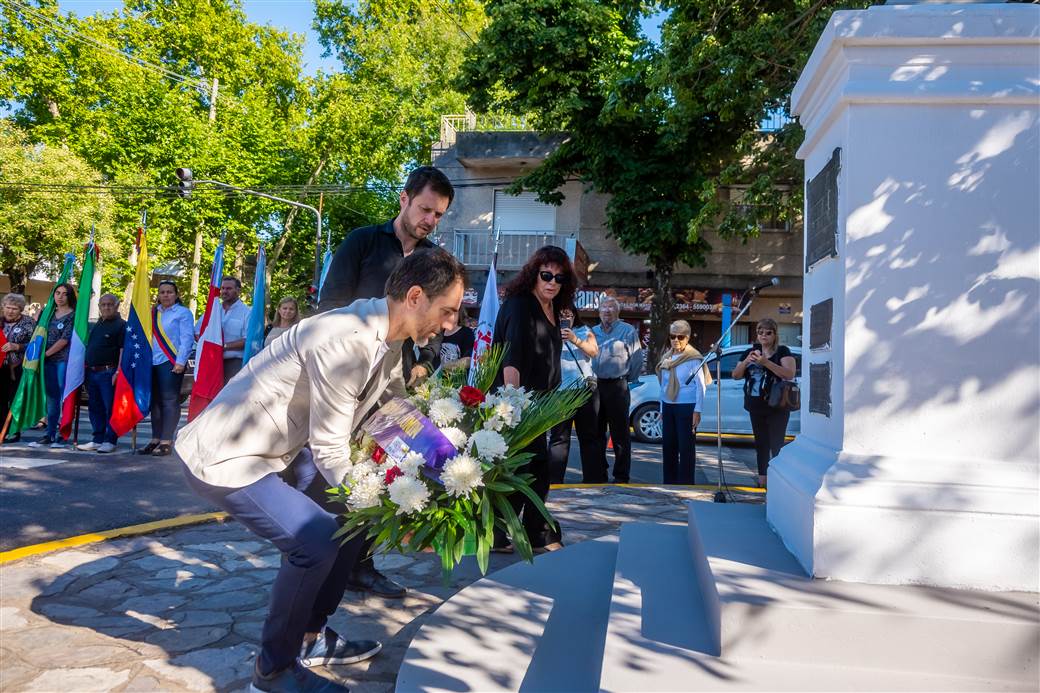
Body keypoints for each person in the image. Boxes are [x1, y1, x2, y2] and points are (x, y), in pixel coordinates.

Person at [175, 248, 466, 693]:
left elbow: (393, 413)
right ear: (414, 297)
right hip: (226, 457)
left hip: (264, 455)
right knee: (315, 542)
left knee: (347, 525)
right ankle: (272, 673)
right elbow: (330, 450)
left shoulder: (388, 339)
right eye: (447, 311)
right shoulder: (345, 339)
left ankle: (310, 637)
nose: (449, 324)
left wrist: (450, 465)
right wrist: (396, 511)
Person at [318, 165, 454, 598]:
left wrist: (424, 362)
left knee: (392, 469)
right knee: (339, 471)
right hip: (346, 377)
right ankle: (322, 562)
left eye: (439, 215)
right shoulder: (362, 242)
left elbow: (439, 322)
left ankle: (361, 563)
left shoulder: (435, 261)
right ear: (404, 199)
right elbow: (330, 306)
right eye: (425, 209)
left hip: (396, 385)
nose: (430, 220)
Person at [492, 245, 576, 553]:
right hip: (519, 402)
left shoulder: (552, 307)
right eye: (546, 275)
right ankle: (537, 532)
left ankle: (502, 532)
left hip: (540, 405)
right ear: (533, 274)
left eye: (559, 278)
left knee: (527, 470)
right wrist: (512, 407)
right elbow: (512, 358)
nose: (552, 282)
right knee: (534, 469)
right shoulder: (520, 305)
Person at [731, 318, 796, 488]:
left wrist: (765, 362)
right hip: (755, 405)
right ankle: (762, 480)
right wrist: (747, 361)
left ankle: (778, 479)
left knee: (776, 444)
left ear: (775, 334)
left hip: (777, 405)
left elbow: (789, 374)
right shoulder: (750, 352)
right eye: (760, 332)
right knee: (761, 443)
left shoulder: (782, 351)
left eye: (768, 332)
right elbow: (736, 375)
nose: (764, 336)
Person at [590, 297, 643, 483]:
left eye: (611, 307)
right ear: (599, 312)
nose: (607, 310)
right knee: (596, 433)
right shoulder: (592, 332)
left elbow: (637, 360)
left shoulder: (627, 331)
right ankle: (599, 473)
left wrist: (628, 380)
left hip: (618, 386)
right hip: (596, 387)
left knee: (620, 434)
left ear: (617, 311)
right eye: (604, 307)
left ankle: (621, 476)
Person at [141, 281, 194, 457]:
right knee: (154, 402)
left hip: (170, 361)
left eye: (169, 292)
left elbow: (187, 338)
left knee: (169, 400)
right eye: (162, 292)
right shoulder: (152, 312)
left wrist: (181, 361)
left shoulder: (183, 313)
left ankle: (166, 441)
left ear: (176, 295)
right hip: (152, 361)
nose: (165, 295)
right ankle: (155, 439)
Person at [655, 320, 712, 485]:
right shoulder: (667, 357)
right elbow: (664, 385)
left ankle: (686, 484)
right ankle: (669, 483)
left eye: (680, 337)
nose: (676, 340)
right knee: (668, 446)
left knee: (686, 447)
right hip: (668, 405)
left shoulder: (694, 358)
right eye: (672, 336)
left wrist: (697, 411)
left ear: (687, 338)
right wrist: (662, 409)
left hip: (686, 407)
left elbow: (701, 386)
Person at [548, 306, 599, 484]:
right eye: (561, 315)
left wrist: (574, 339)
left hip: (584, 391)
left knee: (589, 437)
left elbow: (594, 351)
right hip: (560, 392)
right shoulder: (550, 331)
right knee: (559, 438)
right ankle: (554, 481)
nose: (565, 318)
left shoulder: (584, 331)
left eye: (569, 315)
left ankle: (592, 481)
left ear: (575, 316)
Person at [76, 294, 126, 453]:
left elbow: (123, 350)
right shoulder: (98, 324)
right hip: (92, 372)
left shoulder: (121, 325)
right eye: (103, 304)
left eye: (110, 304)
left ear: (117, 306)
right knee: (95, 407)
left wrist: (118, 371)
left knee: (109, 408)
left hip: (108, 372)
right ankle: (97, 439)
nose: (106, 307)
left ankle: (110, 440)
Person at [28, 283, 76, 449]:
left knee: (64, 397)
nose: (60, 297)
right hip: (47, 362)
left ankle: (63, 434)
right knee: (52, 399)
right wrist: (38, 316)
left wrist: (45, 354)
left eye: (64, 293)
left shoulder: (73, 315)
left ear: (70, 296)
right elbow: (37, 332)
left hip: (62, 361)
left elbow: (64, 340)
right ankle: (49, 433)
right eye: (57, 293)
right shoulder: (48, 314)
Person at [1, 293, 35, 444]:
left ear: (21, 309)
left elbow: (36, 344)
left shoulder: (28, 323)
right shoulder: (0, 322)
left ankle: (14, 432)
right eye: (8, 307)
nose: (10, 311)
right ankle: (2, 430)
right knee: (1, 400)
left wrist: (17, 346)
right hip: (1, 368)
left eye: (14, 308)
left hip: (19, 368)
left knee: (15, 400)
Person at [217, 276, 250, 384]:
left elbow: (248, 340)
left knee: (231, 393)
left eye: (229, 288)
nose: (224, 291)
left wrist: (223, 346)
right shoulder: (214, 310)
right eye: (223, 288)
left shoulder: (247, 312)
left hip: (234, 363)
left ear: (238, 291)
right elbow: (198, 332)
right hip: (212, 361)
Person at [439, 306, 474, 372]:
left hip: (457, 377)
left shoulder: (466, 333)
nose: (449, 314)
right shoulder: (437, 332)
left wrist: (449, 366)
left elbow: (469, 360)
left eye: (453, 311)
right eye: (446, 311)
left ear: (459, 313)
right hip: (435, 377)